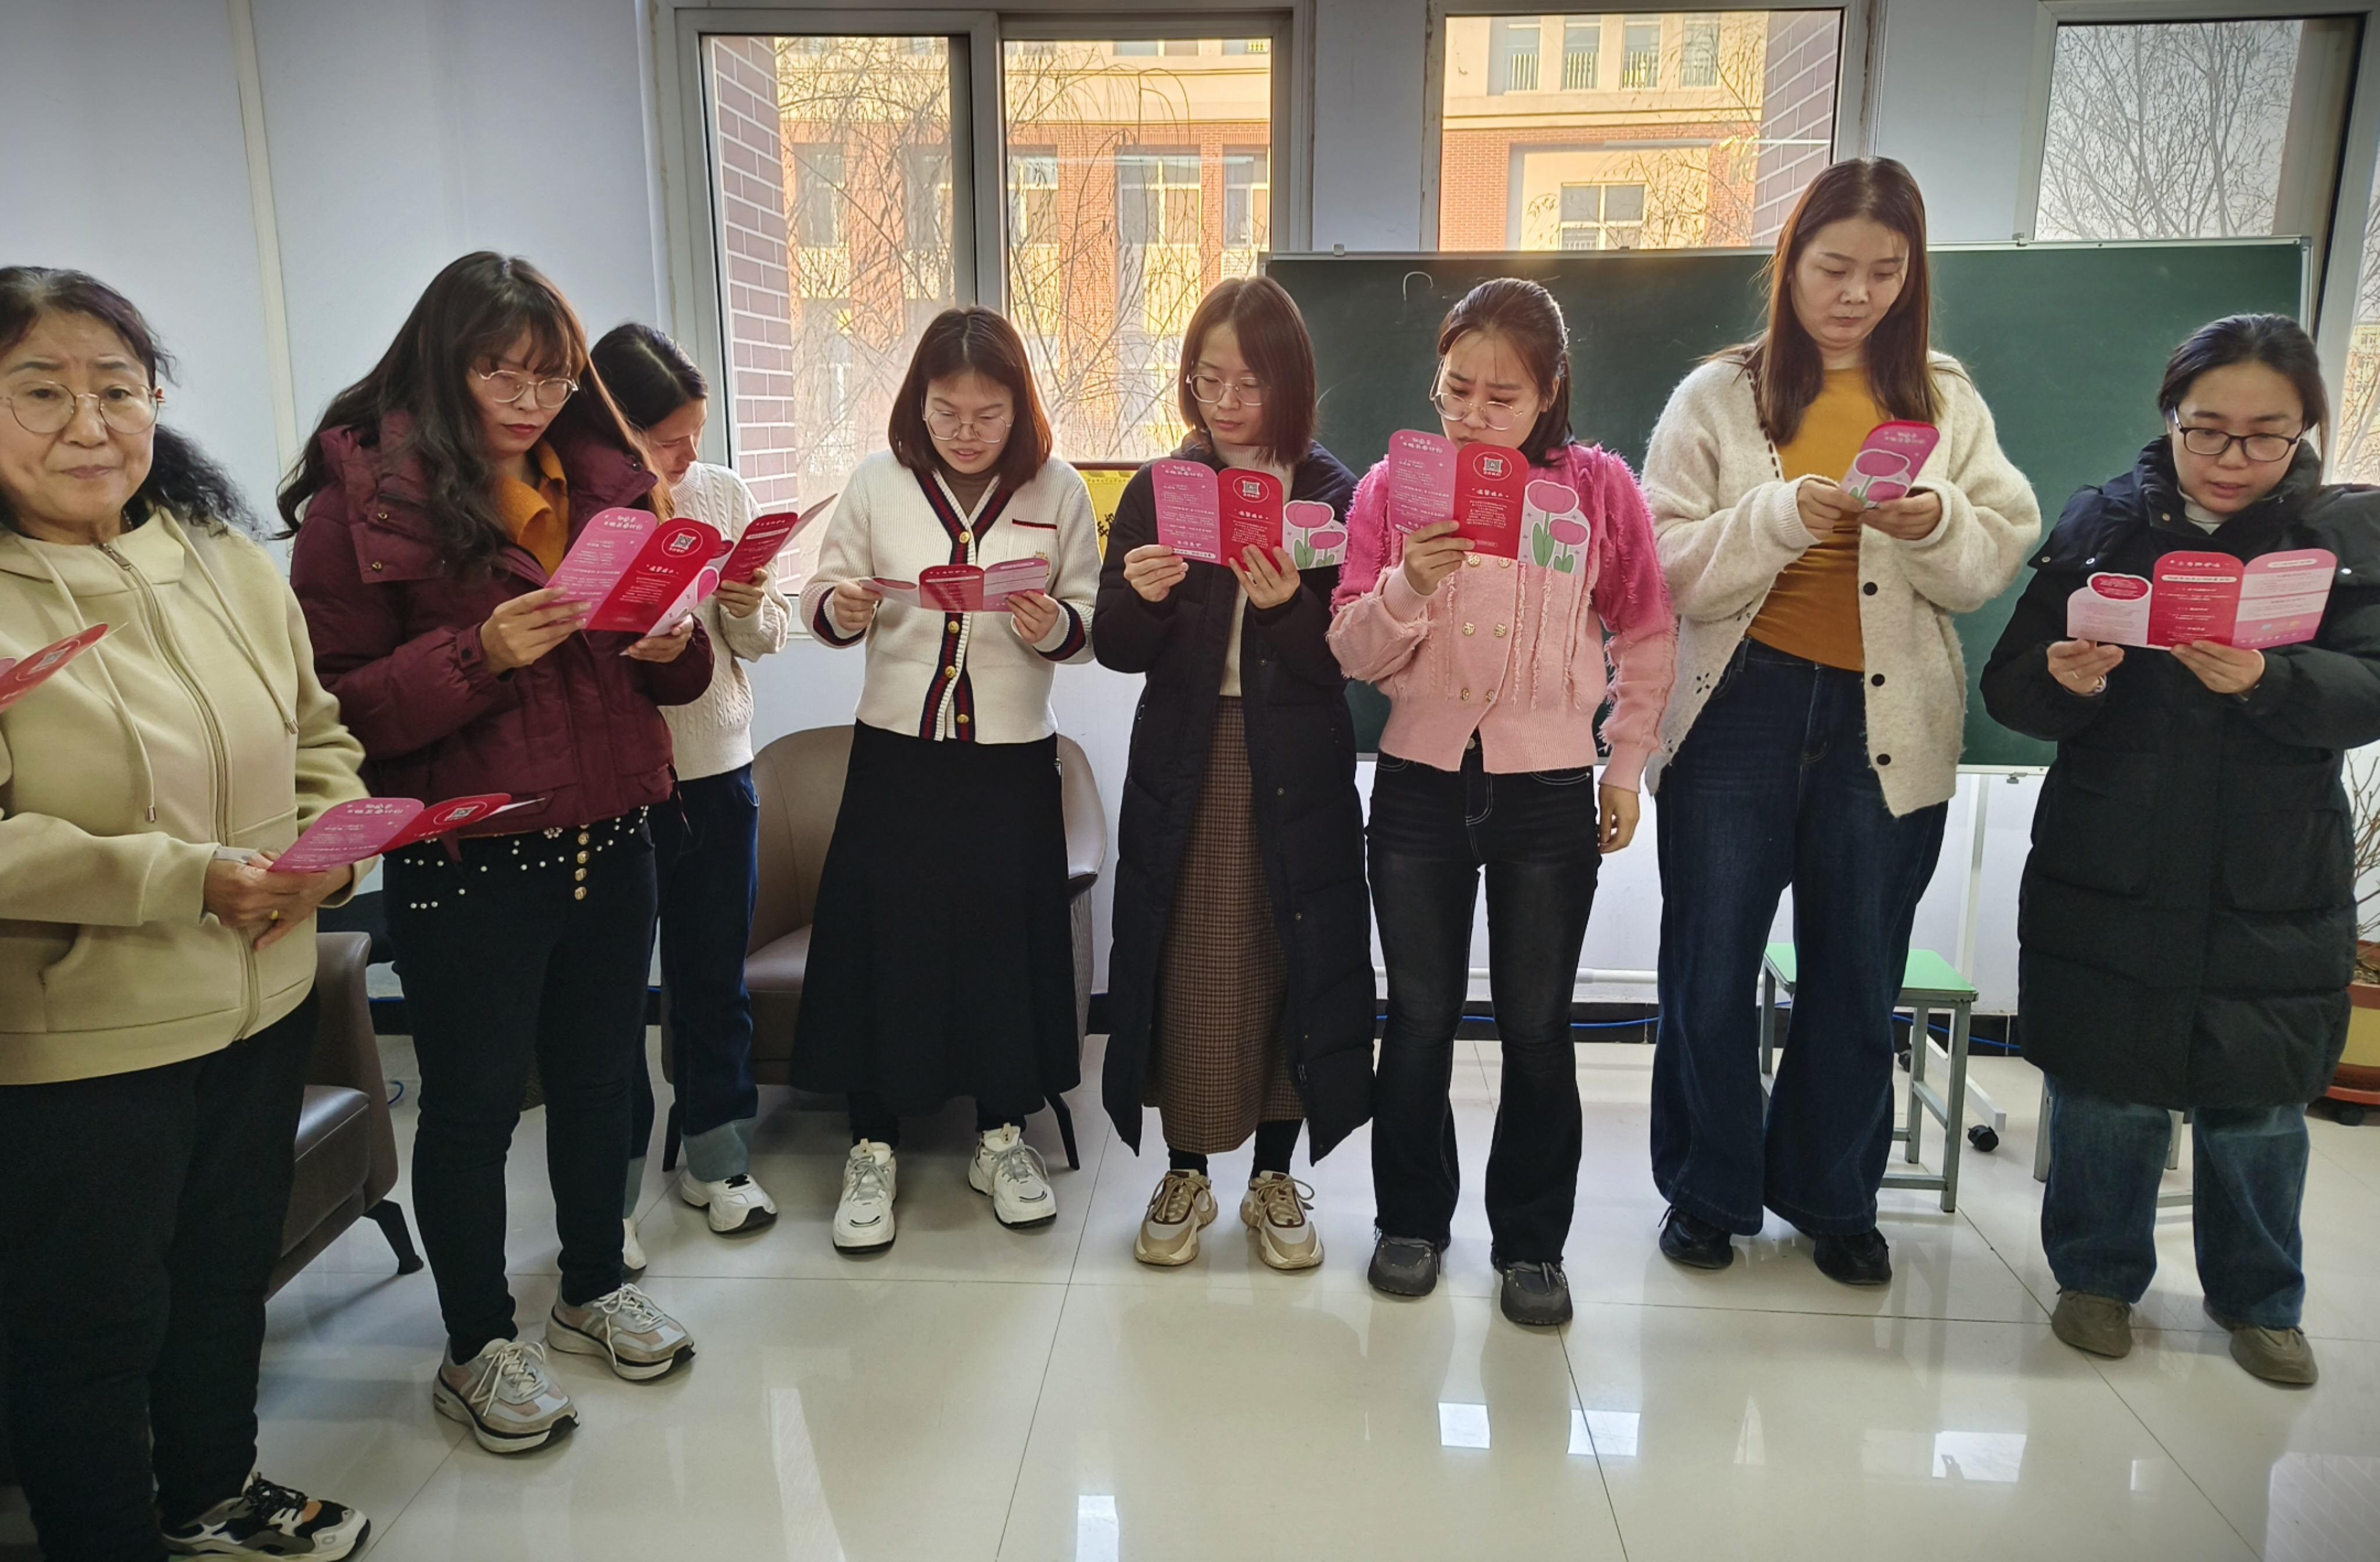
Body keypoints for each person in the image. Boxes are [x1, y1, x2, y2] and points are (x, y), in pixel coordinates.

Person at [287, 253, 708, 1455]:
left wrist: (672, 643)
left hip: (611, 835)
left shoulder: (606, 482)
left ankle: (590, 1287)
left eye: (552, 376)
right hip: (471, 859)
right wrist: (485, 654)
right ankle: (476, 1343)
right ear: (443, 362)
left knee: (599, 1082)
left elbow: (678, 677)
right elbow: (335, 711)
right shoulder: (365, 504)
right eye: (501, 374)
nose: (530, 401)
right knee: (472, 1111)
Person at [0, 268, 370, 1559]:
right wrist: (185, 877)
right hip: (83, 1036)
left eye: (118, 389)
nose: (90, 426)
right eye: (41, 393)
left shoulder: (221, 560)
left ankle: (211, 1491)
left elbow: (319, 737)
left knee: (222, 1282)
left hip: (260, 999)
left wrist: (326, 856)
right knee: (89, 1324)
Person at [1640, 157, 2039, 1284]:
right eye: (1832, 267)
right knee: (1709, 966)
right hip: (1735, 711)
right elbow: (1664, 565)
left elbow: (1991, 555)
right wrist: (1778, 514)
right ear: (1790, 265)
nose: (1856, 293)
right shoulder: (1717, 396)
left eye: (1884, 271)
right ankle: (1706, 1193)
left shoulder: (1944, 399)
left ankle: (1834, 1196)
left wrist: (1933, 519)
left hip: (1887, 720)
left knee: (1857, 972)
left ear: (1911, 276)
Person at [1982, 314, 2377, 1387]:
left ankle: (2261, 1303)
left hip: (2271, 871)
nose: (2234, 458)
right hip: (2112, 854)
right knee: (2106, 1088)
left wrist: (2275, 681)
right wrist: (2062, 678)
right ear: (2170, 418)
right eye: (2209, 430)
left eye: (2266, 434)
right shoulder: (2103, 525)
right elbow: (2011, 684)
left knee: (2259, 1103)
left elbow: (2371, 688)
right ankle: (2096, 1280)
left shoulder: (2344, 537)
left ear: (2305, 429)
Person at [1329, 277, 1677, 1326]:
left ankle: (1532, 1244)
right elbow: (1350, 648)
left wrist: (1625, 767)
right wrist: (1409, 583)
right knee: (1419, 1019)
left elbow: (1646, 633)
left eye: (1502, 397)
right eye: (1456, 391)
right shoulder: (1392, 489)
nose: (1474, 416)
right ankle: (1410, 1222)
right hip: (1418, 787)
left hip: (1546, 792)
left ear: (1550, 392)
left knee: (1535, 1025)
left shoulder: (1599, 492)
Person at [795, 305, 1100, 1253]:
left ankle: (1001, 1138)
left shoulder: (1059, 489)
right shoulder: (877, 483)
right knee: (884, 944)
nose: (966, 432)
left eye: (988, 414)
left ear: (1021, 408)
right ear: (917, 404)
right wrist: (841, 609)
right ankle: (872, 1145)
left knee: (1004, 949)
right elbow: (821, 597)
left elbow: (1091, 618)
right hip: (899, 757)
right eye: (946, 412)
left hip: (1010, 763)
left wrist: (1056, 625)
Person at [1094, 276, 1372, 1271]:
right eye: (1206, 380)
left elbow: (1346, 661)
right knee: (1186, 955)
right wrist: (1143, 597)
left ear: (1289, 382)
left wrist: (1292, 604)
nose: (1224, 402)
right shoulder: (1159, 489)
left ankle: (1272, 1175)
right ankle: (1185, 1170)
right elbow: (1116, 647)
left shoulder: (1337, 495)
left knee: (1291, 955)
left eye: (1248, 383)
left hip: (1296, 761)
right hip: (1187, 753)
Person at [590, 324, 793, 1264]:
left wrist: (751, 610)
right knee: (609, 999)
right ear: (613, 427)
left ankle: (718, 1161)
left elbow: (763, 637)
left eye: (695, 434)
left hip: (718, 770)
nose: (685, 456)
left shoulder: (720, 493)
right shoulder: (584, 509)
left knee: (714, 980)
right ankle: (611, 1195)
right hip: (615, 788)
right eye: (665, 439)